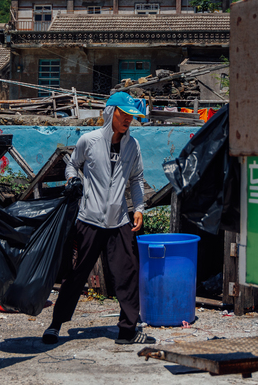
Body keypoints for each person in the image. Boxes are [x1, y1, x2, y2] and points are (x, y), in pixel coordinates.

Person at [42, 91, 156, 345]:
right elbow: (72, 164)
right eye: (123, 114)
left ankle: (128, 330)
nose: (128, 120)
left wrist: (139, 207)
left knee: (127, 274)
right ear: (110, 113)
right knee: (75, 276)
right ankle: (55, 324)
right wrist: (73, 179)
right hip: (89, 220)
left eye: (131, 116)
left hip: (118, 222)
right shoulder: (89, 141)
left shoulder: (132, 146)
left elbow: (136, 179)